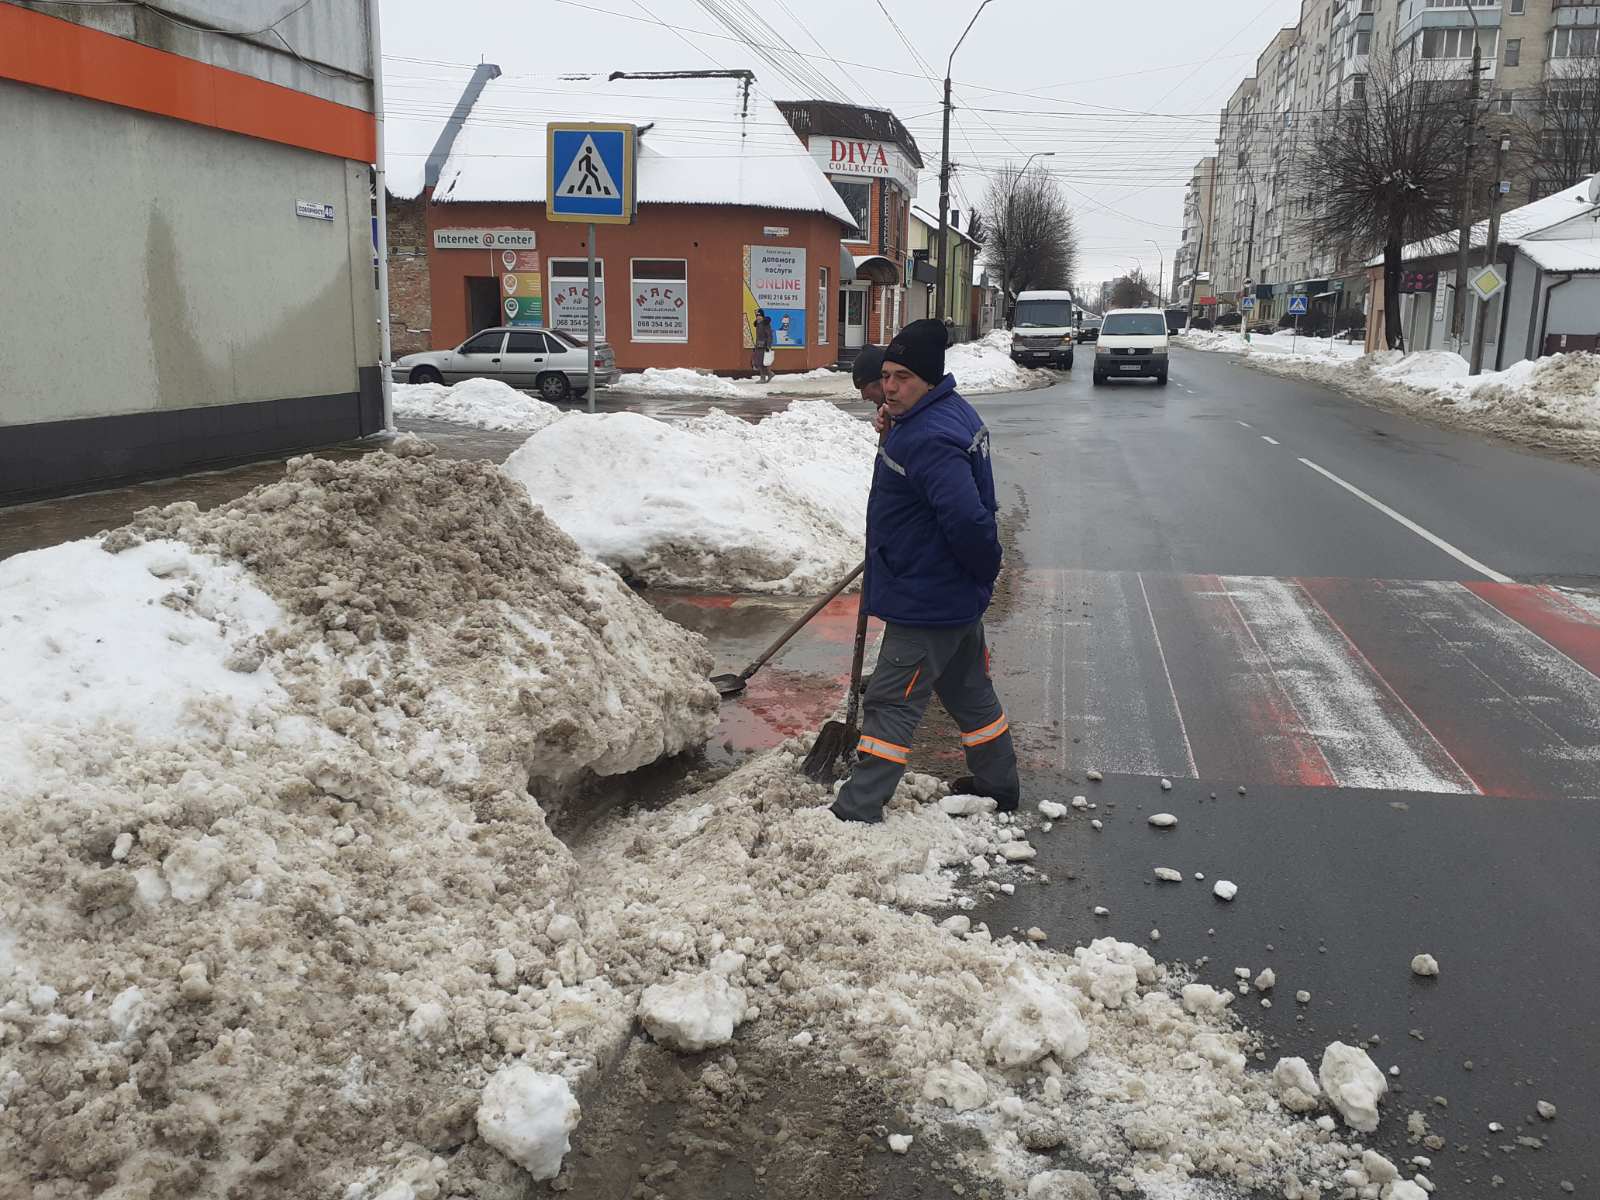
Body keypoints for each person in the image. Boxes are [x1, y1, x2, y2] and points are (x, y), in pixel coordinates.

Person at [831, 319, 1020, 823]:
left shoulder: (930, 437)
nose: (889, 387)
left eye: (903, 378)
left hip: (928, 599)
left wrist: (983, 571)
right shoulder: (945, 413)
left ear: (930, 380)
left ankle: (857, 809)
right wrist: (897, 424)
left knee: (891, 703)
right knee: (971, 695)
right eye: (887, 376)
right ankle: (998, 786)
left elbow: (967, 519)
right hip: (949, 596)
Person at [751, 309, 774, 382]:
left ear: (762, 316)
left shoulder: (765, 324)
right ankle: (769, 374)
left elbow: (769, 335)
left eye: (760, 315)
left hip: (764, 346)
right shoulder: (758, 324)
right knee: (759, 362)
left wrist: (768, 346)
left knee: (761, 362)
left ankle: (763, 378)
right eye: (757, 316)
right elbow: (758, 337)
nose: (758, 317)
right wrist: (755, 346)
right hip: (758, 345)